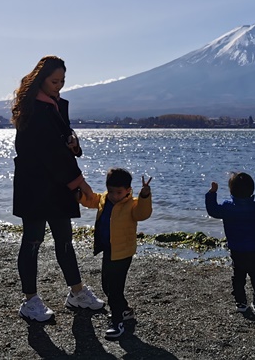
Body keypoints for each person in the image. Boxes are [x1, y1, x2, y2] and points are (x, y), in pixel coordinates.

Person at [11, 55, 105, 322]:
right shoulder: (34, 110)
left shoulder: (55, 105)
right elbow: (51, 153)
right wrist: (82, 184)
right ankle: (30, 300)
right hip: (35, 184)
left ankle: (76, 293)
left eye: (62, 81)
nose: (59, 86)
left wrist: (75, 145)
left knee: (65, 240)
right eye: (55, 81)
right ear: (41, 80)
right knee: (32, 241)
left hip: (56, 183)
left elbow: (62, 142)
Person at [78, 167, 153, 340]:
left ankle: (117, 322)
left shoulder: (132, 204)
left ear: (128, 190)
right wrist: (80, 196)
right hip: (108, 249)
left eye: (119, 192)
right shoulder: (105, 199)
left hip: (124, 252)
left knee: (115, 288)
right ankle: (125, 310)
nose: (114, 195)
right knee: (106, 284)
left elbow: (143, 214)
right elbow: (92, 200)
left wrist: (144, 195)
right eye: (111, 191)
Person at [205, 172, 255, 315]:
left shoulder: (227, 207)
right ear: (251, 190)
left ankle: (241, 302)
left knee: (238, 276)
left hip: (237, 249)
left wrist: (212, 193)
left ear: (231, 190)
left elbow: (212, 210)